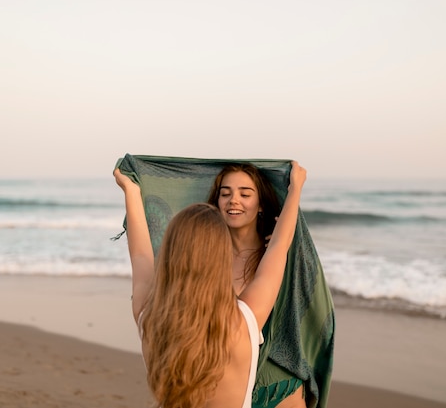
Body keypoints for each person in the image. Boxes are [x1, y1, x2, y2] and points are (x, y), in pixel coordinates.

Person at [113, 161, 307, 408]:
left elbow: (140, 256)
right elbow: (280, 246)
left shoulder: (148, 316)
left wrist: (131, 191)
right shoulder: (242, 321)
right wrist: (296, 190)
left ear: (171, 250)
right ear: (221, 255)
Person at [207, 163, 306, 408]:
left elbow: (283, 241)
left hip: (275, 383)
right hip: (226, 382)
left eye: (245, 193)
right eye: (225, 193)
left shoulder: (275, 257)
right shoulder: (207, 258)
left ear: (260, 203)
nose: (233, 200)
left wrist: (295, 188)